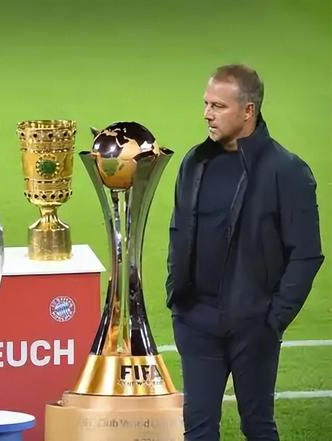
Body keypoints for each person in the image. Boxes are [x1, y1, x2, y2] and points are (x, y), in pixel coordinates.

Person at [166, 64, 324, 440]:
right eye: (206, 104)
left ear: (248, 110)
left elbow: (306, 254)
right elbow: (179, 230)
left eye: (218, 106)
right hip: (196, 321)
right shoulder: (194, 162)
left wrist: (273, 319)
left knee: (257, 426)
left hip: (254, 326)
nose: (207, 114)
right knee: (198, 430)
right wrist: (177, 293)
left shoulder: (287, 171)